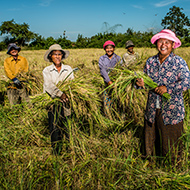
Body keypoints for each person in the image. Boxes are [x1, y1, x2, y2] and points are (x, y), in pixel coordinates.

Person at [136, 29, 190, 163]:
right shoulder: (150, 62)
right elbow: (143, 82)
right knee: (151, 138)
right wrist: (140, 83)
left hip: (172, 109)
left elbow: (187, 82)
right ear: (156, 44)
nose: (163, 45)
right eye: (161, 42)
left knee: (171, 140)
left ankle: (172, 168)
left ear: (172, 45)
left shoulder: (179, 62)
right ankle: (151, 164)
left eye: (167, 42)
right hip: (153, 108)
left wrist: (168, 88)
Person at [43, 44, 74, 154]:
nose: (57, 56)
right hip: (53, 103)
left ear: (62, 56)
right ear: (51, 56)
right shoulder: (47, 70)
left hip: (66, 103)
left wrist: (67, 94)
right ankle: (56, 152)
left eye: (59, 54)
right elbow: (48, 86)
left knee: (67, 126)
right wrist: (60, 94)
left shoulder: (68, 69)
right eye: (54, 54)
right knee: (54, 127)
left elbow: (72, 84)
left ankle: (69, 149)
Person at [99, 40, 121, 117]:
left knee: (117, 100)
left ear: (114, 48)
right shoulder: (102, 58)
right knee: (107, 99)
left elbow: (121, 69)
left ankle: (117, 116)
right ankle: (108, 116)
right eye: (107, 48)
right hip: (106, 83)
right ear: (105, 49)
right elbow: (102, 70)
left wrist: (116, 80)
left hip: (117, 83)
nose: (109, 50)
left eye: (111, 48)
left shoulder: (118, 58)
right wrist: (108, 81)